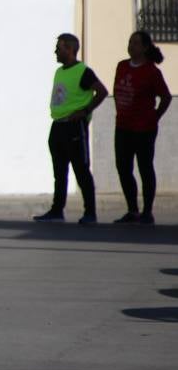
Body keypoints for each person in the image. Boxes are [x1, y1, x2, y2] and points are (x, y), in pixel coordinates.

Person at [34, 33, 108, 224]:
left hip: (74, 127)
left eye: (59, 48)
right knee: (59, 172)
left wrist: (85, 111)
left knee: (81, 170)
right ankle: (57, 210)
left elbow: (102, 92)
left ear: (70, 49)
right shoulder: (59, 71)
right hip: (58, 126)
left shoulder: (83, 71)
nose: (56, 51)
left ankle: (90, 212)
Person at [112, 30, 171, 224]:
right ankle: (132, 210)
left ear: (145, 47)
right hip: (122, 126)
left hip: (144, 128)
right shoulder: (121, 66)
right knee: (123, 168)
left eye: (136, 43)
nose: (131, 46)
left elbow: (166, 97)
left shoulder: (152, 71)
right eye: (130, 42)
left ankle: (147, 212)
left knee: (145, 168)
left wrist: (155, 117)